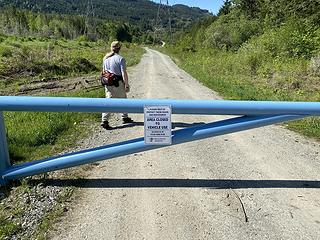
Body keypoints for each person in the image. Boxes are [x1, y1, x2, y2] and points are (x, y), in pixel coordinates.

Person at [101, 41, 133, 129]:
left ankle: (104, 120)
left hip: (108, 82)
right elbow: (123, 73)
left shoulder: (105, 58)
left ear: (111, 48)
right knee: (123, 100)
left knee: (108, 101)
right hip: (118, 83)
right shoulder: (120, 59)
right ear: (119, 49)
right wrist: (126, 84)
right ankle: (125, 117)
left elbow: (104, 71)